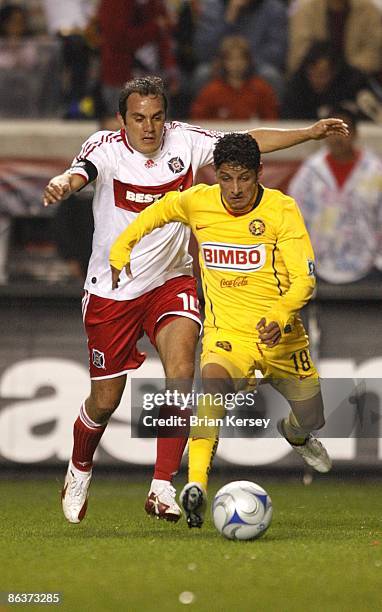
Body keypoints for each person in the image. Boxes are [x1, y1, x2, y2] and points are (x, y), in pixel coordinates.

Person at [43, 76, 346, 525]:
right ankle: (81, 467)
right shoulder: (104, 146)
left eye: (157, 117)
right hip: (114, 288)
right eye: (138, 118)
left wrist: (309, 132)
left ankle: (163, 485)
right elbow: (79, 172)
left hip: (173, 280)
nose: (149, 128)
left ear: (167, 117)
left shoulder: (186, 141)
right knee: (104, 401)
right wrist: (65, 184)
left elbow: (247, 142)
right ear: (122, 120)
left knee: (182, 371)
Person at [109, 132, 332, 529]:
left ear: (260, 173)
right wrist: (121, 247)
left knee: (311, 416)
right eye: (226, 178)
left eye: (243, 178)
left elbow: (305, 281)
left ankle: (297, 436)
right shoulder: (199, 201)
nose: (234, 189)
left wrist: (280, 315)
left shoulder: (282, 210)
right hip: (227, 333)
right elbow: (155, 214)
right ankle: (195, 485)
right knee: (211, 388)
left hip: (281, 335)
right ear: (217, 175)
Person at [288, 107, 382, 284]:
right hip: (318, 268)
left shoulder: (375, 171)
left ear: (355, 134)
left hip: (369, 268)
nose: (337, 138)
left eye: (343, 131)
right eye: (331, 132)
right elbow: (294, 219)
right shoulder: (310, 172)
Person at [190, 35, 279, 121]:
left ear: (248, 61)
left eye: (241, 58)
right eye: (231, 59)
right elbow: (198, 121)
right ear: (223, 62)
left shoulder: (261, 88)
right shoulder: (211, 91)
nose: (237, 64)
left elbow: (271, 120)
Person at [288, 0, 382, 77]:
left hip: (356, 79)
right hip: (314, 81)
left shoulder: (369, 10)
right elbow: (299, 52)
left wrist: (343, 73)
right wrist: (321, 70)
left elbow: (374, 53)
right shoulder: (305, 8)